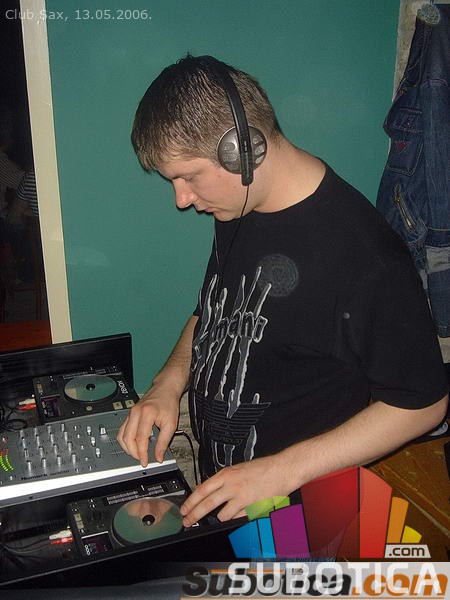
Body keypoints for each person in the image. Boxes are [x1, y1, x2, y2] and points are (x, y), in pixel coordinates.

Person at [117, 55, 449, 529]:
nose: (182, 199)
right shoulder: (237, 206)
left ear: (242, 151)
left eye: (188, 176)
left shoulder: (365, 258)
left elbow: (423, 403)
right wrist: (168, 383)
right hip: (232, 491)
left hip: (301, 513)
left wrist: (278, 472)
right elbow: (214, 309)